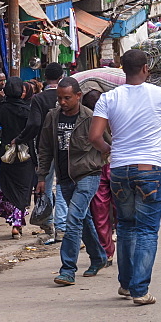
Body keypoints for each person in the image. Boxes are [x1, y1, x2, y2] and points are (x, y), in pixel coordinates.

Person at [89, 49, 161, 305]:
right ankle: (140, 290)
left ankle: (127, 284)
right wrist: (159, 155)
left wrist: (111, 151)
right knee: (147, 231)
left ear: (122, 68)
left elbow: (95, 136)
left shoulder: (108, 98)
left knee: (127, 227)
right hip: (149, 169)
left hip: (119, 169)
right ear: (145, 68)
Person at [37, 77, 109, 285]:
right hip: (65, 177)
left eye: (67, 98)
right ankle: (98, 257)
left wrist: (100, 161)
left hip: (88, 175)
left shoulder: (90, 118)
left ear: (78, 96)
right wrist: (42, 176)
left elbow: (108, 143)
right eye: (60, 98)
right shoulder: (52, 117)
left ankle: (68, 269)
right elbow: (45, 149)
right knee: (83, 218)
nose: (62, 102)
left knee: (73, 219)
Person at [16, 63, 65, 240]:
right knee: (61, 185)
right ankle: (62, 225)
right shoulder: (68, 95)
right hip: (64, 146)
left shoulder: (38, 99)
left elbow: (34, 124)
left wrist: (21, 139)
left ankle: (49, 222)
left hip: (44, 147)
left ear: (45, 77)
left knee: (45, 183)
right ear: (61, 76)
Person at [0, 78, 36, 238]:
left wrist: (3, 134)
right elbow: (34, 129)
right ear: (21, 91)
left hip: (6, 154)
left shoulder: (0, 110)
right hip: (25, 155)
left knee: (10, 188)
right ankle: (17, 223)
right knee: (24, 189)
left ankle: (15, 222)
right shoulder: (28, 110)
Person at [82, 89, 114, 263]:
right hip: (105, 166)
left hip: (100, 167)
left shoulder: (88, 120)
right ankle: (110, 249)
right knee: (111, 211)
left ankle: (107, 250)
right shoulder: (104, 118)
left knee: (100, 212)